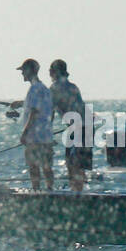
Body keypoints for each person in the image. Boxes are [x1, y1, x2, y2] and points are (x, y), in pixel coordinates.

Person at [49, 59, 91, 192]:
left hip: (78, 128)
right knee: (78, 164)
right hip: (87, 127)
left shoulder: (54, 88)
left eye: (50, 70)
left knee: (73, 164)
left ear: (55, 72)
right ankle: (79, 191)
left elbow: (49, 112)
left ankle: (77, 193)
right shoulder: (73, 86)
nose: (49, 73)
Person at [16, 59, 53, 190]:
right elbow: (46, 110)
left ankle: (36, 192)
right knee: (47, 167)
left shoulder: (34, 89)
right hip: (46, 137)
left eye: (23, 71)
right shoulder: (45, 89)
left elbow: (34, 112)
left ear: (29, 71)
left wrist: (24, 133)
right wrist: (21, 103)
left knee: (34, 167)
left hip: (34, 138)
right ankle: (50, 190)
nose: (22, 74)